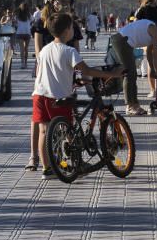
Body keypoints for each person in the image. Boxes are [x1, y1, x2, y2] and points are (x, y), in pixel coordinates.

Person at [33, 12, 122, 176]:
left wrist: (73, 81)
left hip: (39, 95)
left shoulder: (45, 50)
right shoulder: (69, 51)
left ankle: (47, 168)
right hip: (58, 96)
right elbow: (86, 70)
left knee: (44, 131)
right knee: (69, 131)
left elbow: (50, 72)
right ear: (68, 30)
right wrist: (114, 74)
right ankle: (75, 163)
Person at [26, 0, 83, 171]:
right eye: (61, 1)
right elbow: (37, 48)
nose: (64, 5)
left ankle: (71, 156)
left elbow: (76, 49)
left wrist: (76, 73)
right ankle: (34, 157)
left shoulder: (71, 24)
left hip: (65, 71)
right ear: (51, 2)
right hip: (45, 70)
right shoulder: (41, 23)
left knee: (66, 113)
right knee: (38, 119)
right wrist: (43, 64)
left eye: (68, 2)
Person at [110, 18, 157, 116]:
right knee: (130, 73)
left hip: (124, 41)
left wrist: (152, 70)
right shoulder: (156, 31)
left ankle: (135, 104)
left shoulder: (153, 28)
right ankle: (130, 106)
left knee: (132, 74)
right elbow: (156, 53)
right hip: (122, 40)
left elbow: (149, 53)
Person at [13, 3, 32, 69]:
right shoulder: (29, 15)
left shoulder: (17, 15)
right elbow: (33, 21)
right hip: (27, 32)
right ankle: (26, 63)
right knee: (26, 49)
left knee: (22, 49)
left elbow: (15, 23)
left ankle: (22, 64)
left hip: (20, 32)